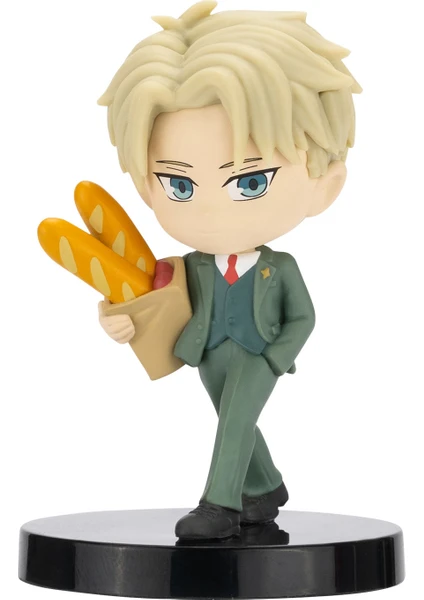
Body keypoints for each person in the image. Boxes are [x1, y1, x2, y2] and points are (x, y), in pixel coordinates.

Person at [97, 0, 361, 540]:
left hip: (260, 352)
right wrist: (115, 318)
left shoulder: (279, 268)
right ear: (147, 187)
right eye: (179, 185)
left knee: (236, 419)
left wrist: (276, 356)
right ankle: (265, 488)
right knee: (232, 417)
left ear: (325, 185)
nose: (211, 211)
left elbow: (305, 317)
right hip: (206, 353)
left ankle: (219, 505)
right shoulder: (188, 265)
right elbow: (144, 292)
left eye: (249, 182)